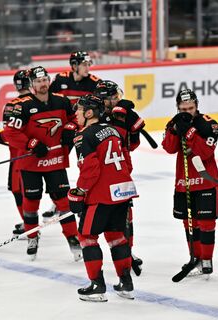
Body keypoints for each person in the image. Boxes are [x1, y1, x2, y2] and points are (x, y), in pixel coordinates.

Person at [2, 66, 81, 261]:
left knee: (64, 202)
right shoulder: (21, 106)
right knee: (31, 203)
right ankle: (32, 237)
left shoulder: (61, 101)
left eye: (45, 80)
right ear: (31, 85)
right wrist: (30, 143)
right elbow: (10, 133)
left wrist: (71, 128)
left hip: (55, 162)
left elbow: (77, 118)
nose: (42, 84)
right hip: (31, 164)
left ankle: (73, 238)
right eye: (38, 82)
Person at [69, 94, 138, 302]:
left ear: (89, 113)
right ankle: (126, 284)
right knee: (117, 236)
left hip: (101, 195)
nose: (76, 114)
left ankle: (97, 286)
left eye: (79, 110)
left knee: (87, 237)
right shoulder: (114, 131)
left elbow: (90, 169)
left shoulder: (83, 136)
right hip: (123, 191)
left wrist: (79, 192)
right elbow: (128, 163)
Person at [162, 89, 218, 277]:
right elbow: (169, 149)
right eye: (183, 108)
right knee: (189, 223)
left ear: (197, 106)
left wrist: (189, 132)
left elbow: (205, 153)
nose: (187, 111)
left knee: (206, 222)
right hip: (184, 181)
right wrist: (174, 130)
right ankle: (194, 258)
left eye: (191, 108)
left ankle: (207, 259)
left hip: (205, 180)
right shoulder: (174, 123)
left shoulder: (210, 124)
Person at [94, 79, 146, 275]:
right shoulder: (95, 115)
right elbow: (113, 136)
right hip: (100, 174)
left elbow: (130, 145)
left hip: (122, 172)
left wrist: (132, 126)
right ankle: (96, 255)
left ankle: (127, 253)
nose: (118, 100)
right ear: (103, 100)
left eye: (118, 96)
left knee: (126, 217)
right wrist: (121, 119)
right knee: (103, 219)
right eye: (114, 97)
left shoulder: (121, 113)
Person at [44, 51, 101, 219]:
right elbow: (49, 101)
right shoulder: (60, 79)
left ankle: (84, 194)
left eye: (89, 64)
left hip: (84, 130)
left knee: (86, 163)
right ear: (74, 66)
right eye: (84, 64)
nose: (88, 68)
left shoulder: (94, 83)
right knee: (57, 163)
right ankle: (58, 201)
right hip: (61, 129)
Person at [0, 69, 32, 238]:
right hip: (39, 153)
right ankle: (30, 221)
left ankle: (29, 223)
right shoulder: (42, 101)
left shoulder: (13, 105)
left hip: (19, 156)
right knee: (31, 191)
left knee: (18, 190)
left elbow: (10, 133)